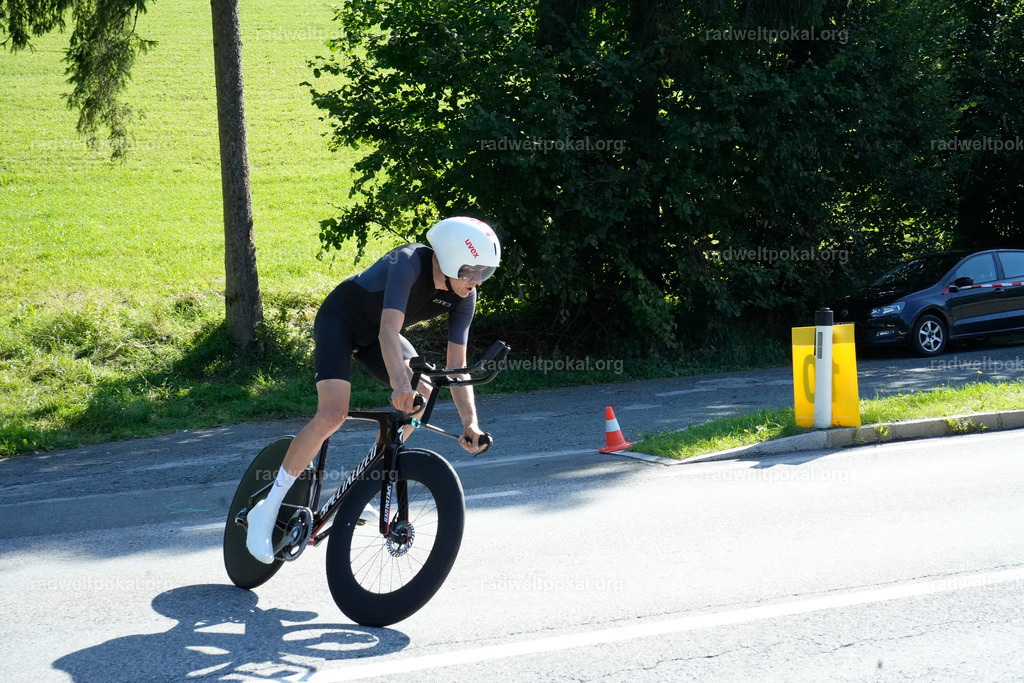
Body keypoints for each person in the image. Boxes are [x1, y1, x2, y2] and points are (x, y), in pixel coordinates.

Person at [245, 216, 501, 563]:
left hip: (379, 338)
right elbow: (387, 330)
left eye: (485, 274)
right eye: (473, 271)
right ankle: (268, 506)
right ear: (454, 258)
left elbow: (456, 367)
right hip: (342, 321)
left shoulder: (463, 296)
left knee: (423, 392)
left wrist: (470, 422)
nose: (476, 283)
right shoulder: (409, 261)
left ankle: (366, 482)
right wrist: (398, 384)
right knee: (333, 413)